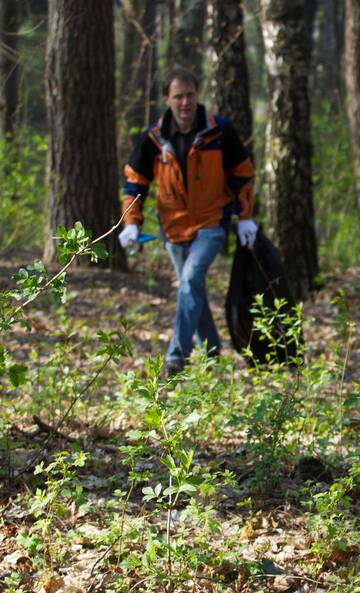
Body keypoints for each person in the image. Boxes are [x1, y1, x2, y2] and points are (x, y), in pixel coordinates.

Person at [119, 67, 257, 377]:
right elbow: (135, 182)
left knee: (191, 279)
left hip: (211, 223)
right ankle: (212, 354)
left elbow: (243, 174)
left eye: (190, 95)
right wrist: (131, 222)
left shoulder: (220, 131)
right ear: (167, 99)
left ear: (198, 96)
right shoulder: (153, 139)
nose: (185, 102)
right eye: (178, 96)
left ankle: (177, 357)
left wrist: (245, 217)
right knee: (192, 291)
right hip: (173, 229)